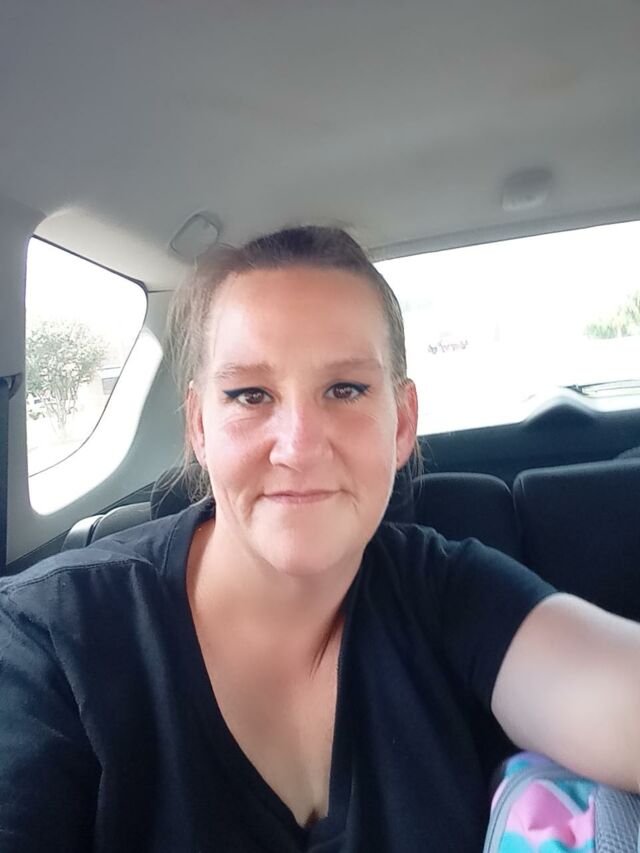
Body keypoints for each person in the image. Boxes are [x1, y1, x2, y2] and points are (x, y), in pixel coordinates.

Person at [1, 226, 639, 853]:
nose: (299, 446)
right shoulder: (50, 639)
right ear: (199, 427)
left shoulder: (450, 592)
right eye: (250, 395)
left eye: (345, 389)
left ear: (402, 423)